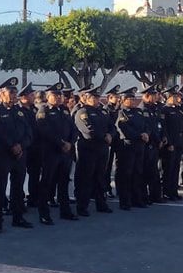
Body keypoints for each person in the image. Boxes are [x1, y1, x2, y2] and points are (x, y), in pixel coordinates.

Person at [0, 77, 34, 233]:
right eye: (11, 93)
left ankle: (18, 217)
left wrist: (21, 146)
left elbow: (29, 133)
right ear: (2, 94)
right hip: (3, 155)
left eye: (15, 93)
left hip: (20, 155)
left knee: (18, 187)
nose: (14, 96)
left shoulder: (20, 112)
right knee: (0, 188)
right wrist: (12, 146)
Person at [36, 83, 77, 224]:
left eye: (60, 95)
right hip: (51, 152)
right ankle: (44, 213)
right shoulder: (43, 110)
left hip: (65, 153)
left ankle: (65, 211)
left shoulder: (65, 110)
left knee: (64, 182)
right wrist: (61, 143)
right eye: (55, 95)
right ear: (48, 97)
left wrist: (71, 143)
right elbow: (45, 131)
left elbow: (73, 129)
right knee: (47, 182)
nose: (59, 97)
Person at [73, 85, 113, 216]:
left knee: (100, 177)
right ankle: (82, 206)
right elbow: (88, 132)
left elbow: (112, 127)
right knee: (86, 178)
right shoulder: (82, 112)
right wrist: (104, 136)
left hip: (102, 149)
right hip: (88, 150)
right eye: (93, 97)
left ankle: (101, 203)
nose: (96, 99)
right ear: (86, 98)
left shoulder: (103, 111)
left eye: (97, 97)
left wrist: (110, 135)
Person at [160, 87, 183, 201]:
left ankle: (174, 191)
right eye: (175, 97)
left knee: (176, 168)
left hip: (179, 143)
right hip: (170, 144)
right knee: (168, 169)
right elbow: (164, 128)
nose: (177, 99)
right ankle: (166, 192)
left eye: (178, 96)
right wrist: (169, 143)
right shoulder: (164, 110)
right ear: (168, 97)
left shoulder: (178, 109)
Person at [18, 83, 42, 208]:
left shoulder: (34, 109)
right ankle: (18, 199)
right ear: (23, 97)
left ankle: (33, 197)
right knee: (20, 175)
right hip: (24, 147)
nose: (34, 97)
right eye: (31, 95)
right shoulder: (19, 111)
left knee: (34, 173)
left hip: (35, 147)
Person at [139, 86, 164, 203]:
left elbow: (158, 125)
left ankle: (156, 195)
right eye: (154, 95)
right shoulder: (143, 109)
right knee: (146, 171)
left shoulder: (154, 108)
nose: (156, 97)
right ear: (147, 96)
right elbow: (149, 128)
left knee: (154, 171)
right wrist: (157, 140)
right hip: (148, 144)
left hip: (155, 143)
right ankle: (144, 196)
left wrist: (161, 139)